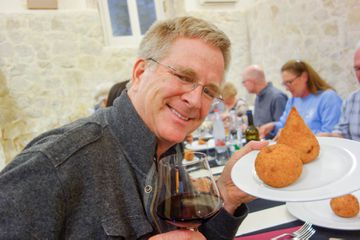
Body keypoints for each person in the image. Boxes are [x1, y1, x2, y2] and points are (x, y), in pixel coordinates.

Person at [0, 16, 267, 240]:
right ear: (140, 73)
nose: (195, 100)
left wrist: (228, 195)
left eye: (209, 91)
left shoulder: (171, 151)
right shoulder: (55, 164)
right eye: (184, 77)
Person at [259, 60, 342, 139]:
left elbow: (330, 134)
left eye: (290, 82)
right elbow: (284, 124)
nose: (287, 88)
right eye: (285, 84)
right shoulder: (293, 100)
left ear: (304, 77)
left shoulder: (328, 98)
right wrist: (273, 126)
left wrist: (294, 137)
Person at [318, 43, 360, 141]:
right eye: (358, 68)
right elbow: (343, 133)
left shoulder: (329, 97)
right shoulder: (351, 100)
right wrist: (330, 137)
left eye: (290, 82)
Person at [242, 65, 288, 139]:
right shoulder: (258, 97)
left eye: (244, 82)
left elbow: (285, 129)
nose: (243, 85)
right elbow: (259, 125)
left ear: (252, 81)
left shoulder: (277, 97)